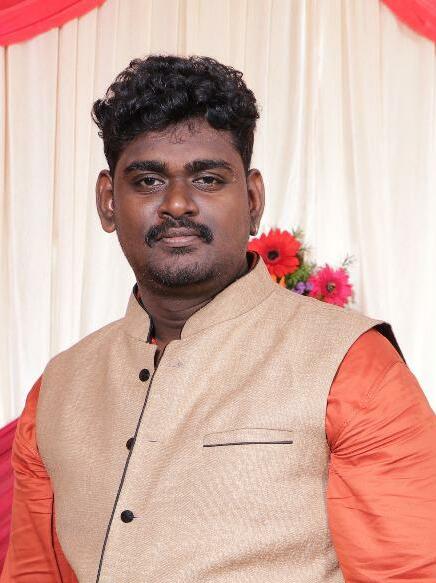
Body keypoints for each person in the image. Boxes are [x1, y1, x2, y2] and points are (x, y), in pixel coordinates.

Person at [1, 55, 435, 583]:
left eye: (207, 179)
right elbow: (34, 572)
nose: (177, 204)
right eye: (147, 180)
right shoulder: (59, 387)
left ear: (252, 200)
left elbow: (409, 572)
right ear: (108, 201)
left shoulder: (351, 365)